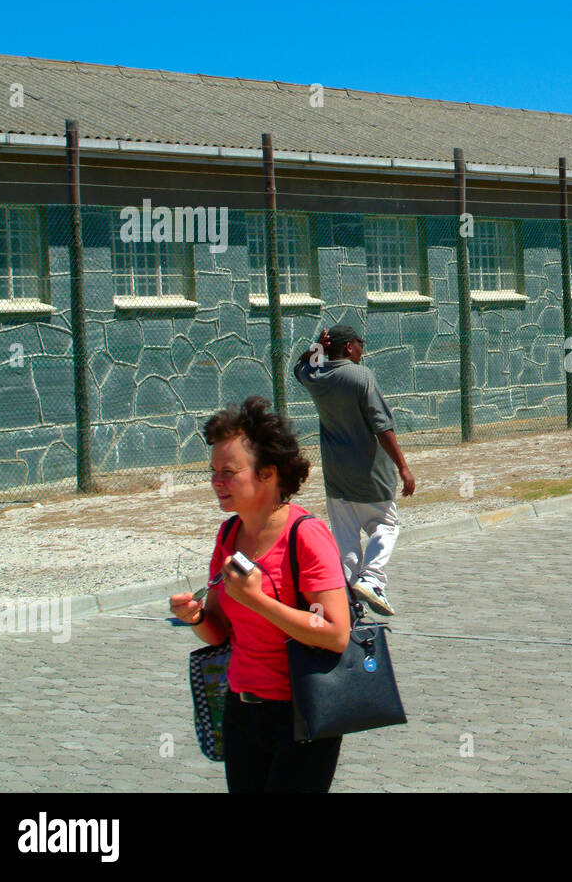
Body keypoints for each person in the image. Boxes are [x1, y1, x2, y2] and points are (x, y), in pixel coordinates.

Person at [169, 396, 351, 793]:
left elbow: (337, 633)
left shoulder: (306, 536)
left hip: (303, 714)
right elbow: (220, 633)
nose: (216, 481)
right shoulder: (229, 536)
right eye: (213, 470)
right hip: (241, 710)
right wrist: (196, 617)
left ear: (267, 474)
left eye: (229, 472)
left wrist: (259, 602)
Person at [294, 324, 416, 617]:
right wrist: (403, 466)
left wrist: (316, 348)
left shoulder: (316, 376)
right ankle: (372, 579)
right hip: (370, 474)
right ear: (349, 347)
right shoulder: (361, 376)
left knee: (346, 542)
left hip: (336, 478)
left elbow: (299, 366)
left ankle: (348, 606)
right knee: (386, 526)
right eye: (360, 344)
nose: (363, 350)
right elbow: (382, 426)